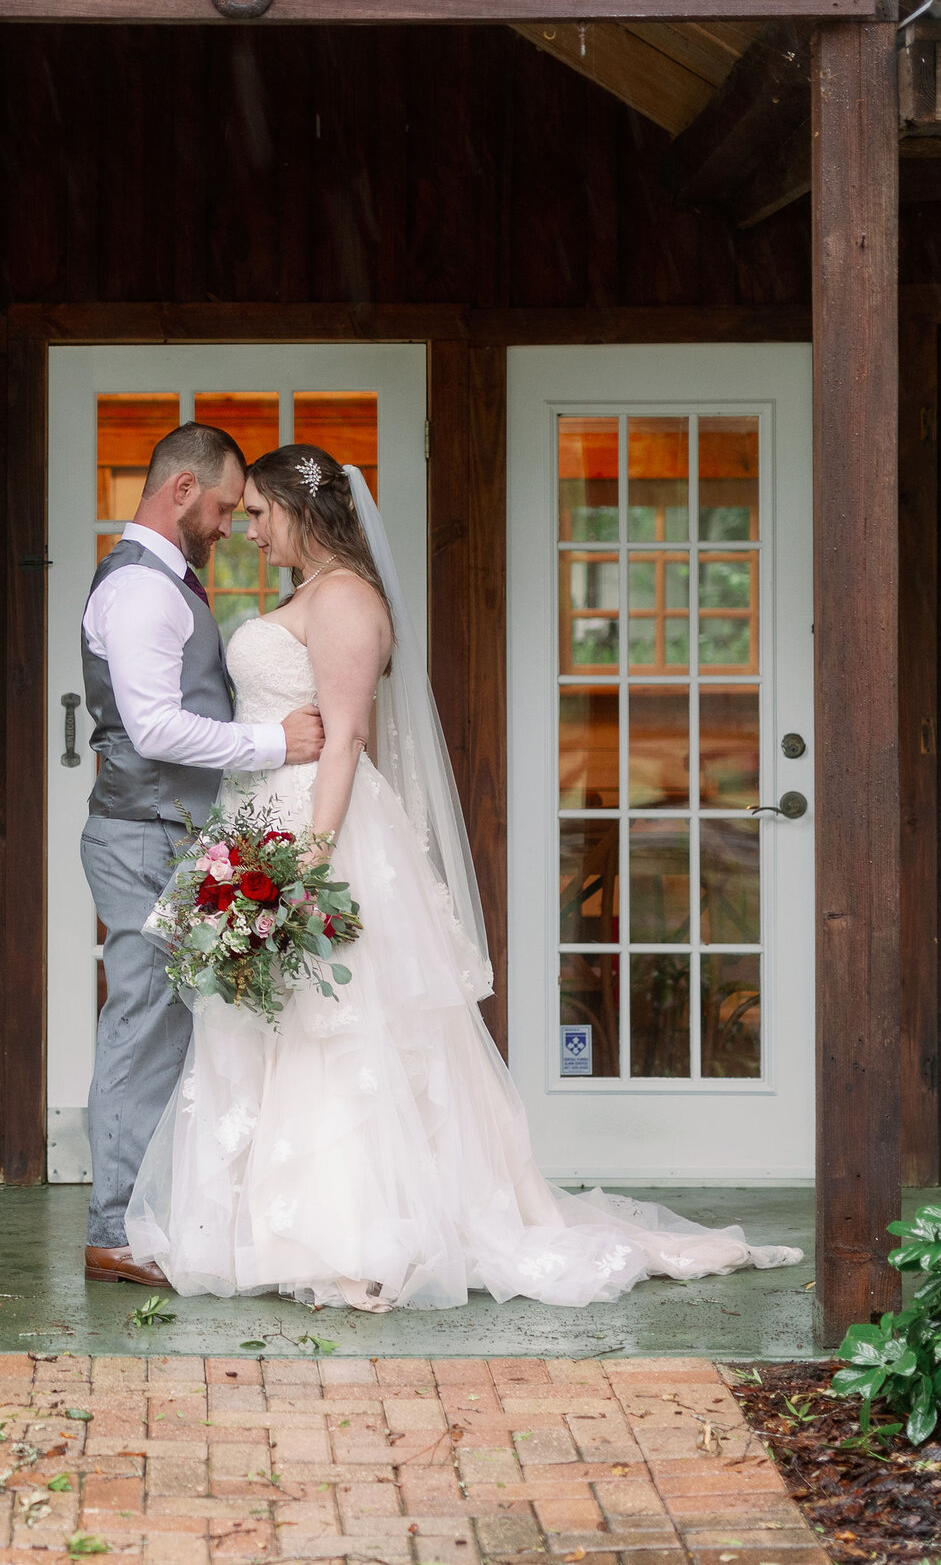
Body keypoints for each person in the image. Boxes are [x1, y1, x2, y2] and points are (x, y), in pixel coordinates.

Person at [123, 444, 803, 1311]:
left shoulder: (345, 600)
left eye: (259, 513)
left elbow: (346, 737)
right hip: (263, 817)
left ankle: (347, 1230)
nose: (248, 530)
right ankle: (264, 1227)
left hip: (314, 830)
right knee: (272, 1025)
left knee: (337, 1029)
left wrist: (308, 863)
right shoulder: (306, 596)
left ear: (300, 508)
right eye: (244, 513)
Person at [78, 422, 327, 1289]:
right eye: (224, 507)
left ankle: (151, 1213)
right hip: (143, 833)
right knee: (144, 1019)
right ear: (180, 491)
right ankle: (114, 1228)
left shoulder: (161, 584)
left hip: (165, 831)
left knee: (172, 1024)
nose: (231, 526)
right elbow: (151, 728)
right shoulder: (145, 590)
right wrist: (275, 741)